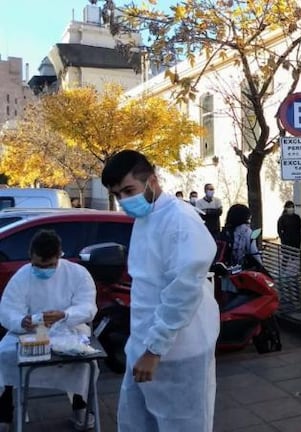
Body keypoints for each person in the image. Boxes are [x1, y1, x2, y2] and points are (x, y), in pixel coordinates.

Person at [101, 150, 219, 431]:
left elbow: (183, 291)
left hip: (178, 352)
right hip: (144, 345)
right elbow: (149, 286)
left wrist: (154, 350)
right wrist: (141, 347)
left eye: (129, 190)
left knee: (182, 424)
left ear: (152, 181)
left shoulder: (180, 220)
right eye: (118, 194)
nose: (124, 201)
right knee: (137, 422)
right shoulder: (147, 218)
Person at [0, 229, 97, 432]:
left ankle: (81, 408)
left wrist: (65, 315)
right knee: (4, 355)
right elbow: (7, 311)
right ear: (30, 256)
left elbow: (88, 308)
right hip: (27, 333)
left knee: (83, 364)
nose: (42, 270)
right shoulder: (23, 276)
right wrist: (21, 321)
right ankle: (4, 415)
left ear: (59, 255)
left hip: (70, 331)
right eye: (37, 265)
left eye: (49, 265)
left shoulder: (77, 274)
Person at [221, 204, 262, 269]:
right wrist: (261, 267)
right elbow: (253, 252)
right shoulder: (247, 231)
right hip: (242, 269)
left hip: (226, 268)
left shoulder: (225, 231)